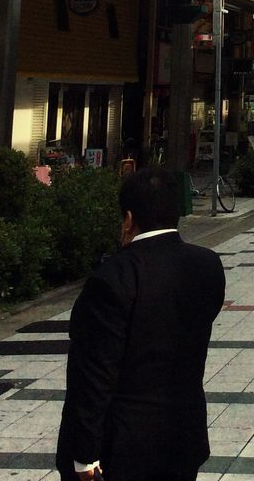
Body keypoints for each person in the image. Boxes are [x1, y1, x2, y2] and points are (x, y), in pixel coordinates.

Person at [56, 168, 226, 481]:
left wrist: (84, 456)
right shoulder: (208, 265)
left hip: (123, 447)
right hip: (183, 434)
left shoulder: (112, 278)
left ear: (128, 219)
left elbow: (94, 375)